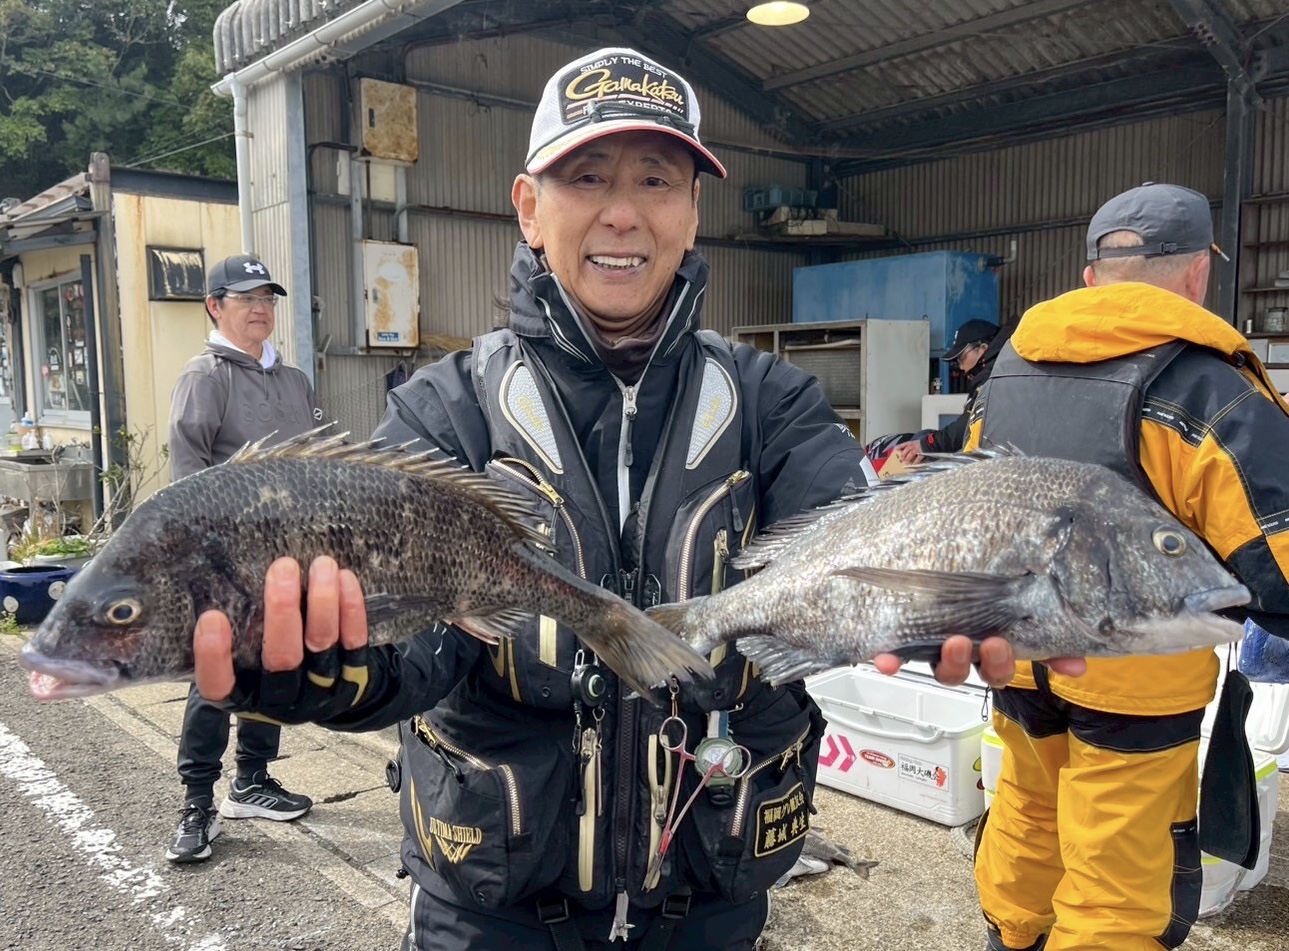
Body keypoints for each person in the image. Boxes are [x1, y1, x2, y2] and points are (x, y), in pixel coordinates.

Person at [189, 48, 1065, 949]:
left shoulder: (774, 403)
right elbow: (415, 653)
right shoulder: (444, 409)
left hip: (708, 902)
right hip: (490, 909)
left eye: (656, 179)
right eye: (586, 177)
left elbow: (858, 559)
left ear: (692, 213)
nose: (622, 211)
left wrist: (944, 609)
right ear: (529, 208)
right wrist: (321, 673)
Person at [966, 182, 1289, 951]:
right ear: (1197, 273)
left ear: (1089, 277)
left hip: (1019, 654)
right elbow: (1275, 560)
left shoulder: (1005, 374)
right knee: (1118, 872)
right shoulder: (1205, 385)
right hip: (1136, 678)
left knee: (1028, 812)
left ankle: (1010, 936)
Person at [165, 253, 324, 863]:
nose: (261, 308)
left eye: (267, 298)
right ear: (215, 306)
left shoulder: (294, 380)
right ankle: (197, 802)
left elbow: (314, 462)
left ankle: (252, 780)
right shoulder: (205, 378)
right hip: (227, 562)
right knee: (216, 674)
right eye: (246, 298)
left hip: (289, 558)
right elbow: (189, 480)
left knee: (276, 665)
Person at [888, 317, 1007, 465]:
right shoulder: (996, 371)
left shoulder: (998, 376)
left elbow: (969, 424)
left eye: (962, 358)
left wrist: (928, 444)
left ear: (983, 348)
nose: (961, 367)